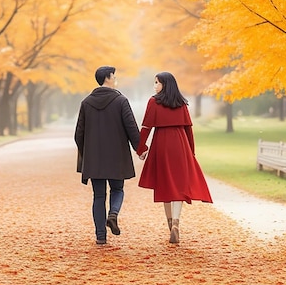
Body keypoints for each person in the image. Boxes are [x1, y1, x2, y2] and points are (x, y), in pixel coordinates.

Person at [136, 71, 213, 244]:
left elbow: (146, 127)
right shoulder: (181, 103)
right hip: (181, 145)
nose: (154, 86)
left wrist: (141, 148)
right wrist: (191, 153)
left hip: (161, 145)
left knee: (164, 185)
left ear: (164, 84)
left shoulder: (153, 102)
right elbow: (188, 130)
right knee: (179, 185)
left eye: (157, 82)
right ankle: (177, 222)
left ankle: (170, 225)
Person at [75, 66, 140, 245]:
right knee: (117, 189)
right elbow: (132, 128)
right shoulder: (121, 101)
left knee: (98, 196)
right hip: (117, 157)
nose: (115, 78)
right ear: (108, 78)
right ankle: (113, 214)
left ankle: (100, 236)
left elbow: (78, 134)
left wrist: (86, 152)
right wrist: (140, 149)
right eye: (114, 75)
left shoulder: (86, 103)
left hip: (94, 159)